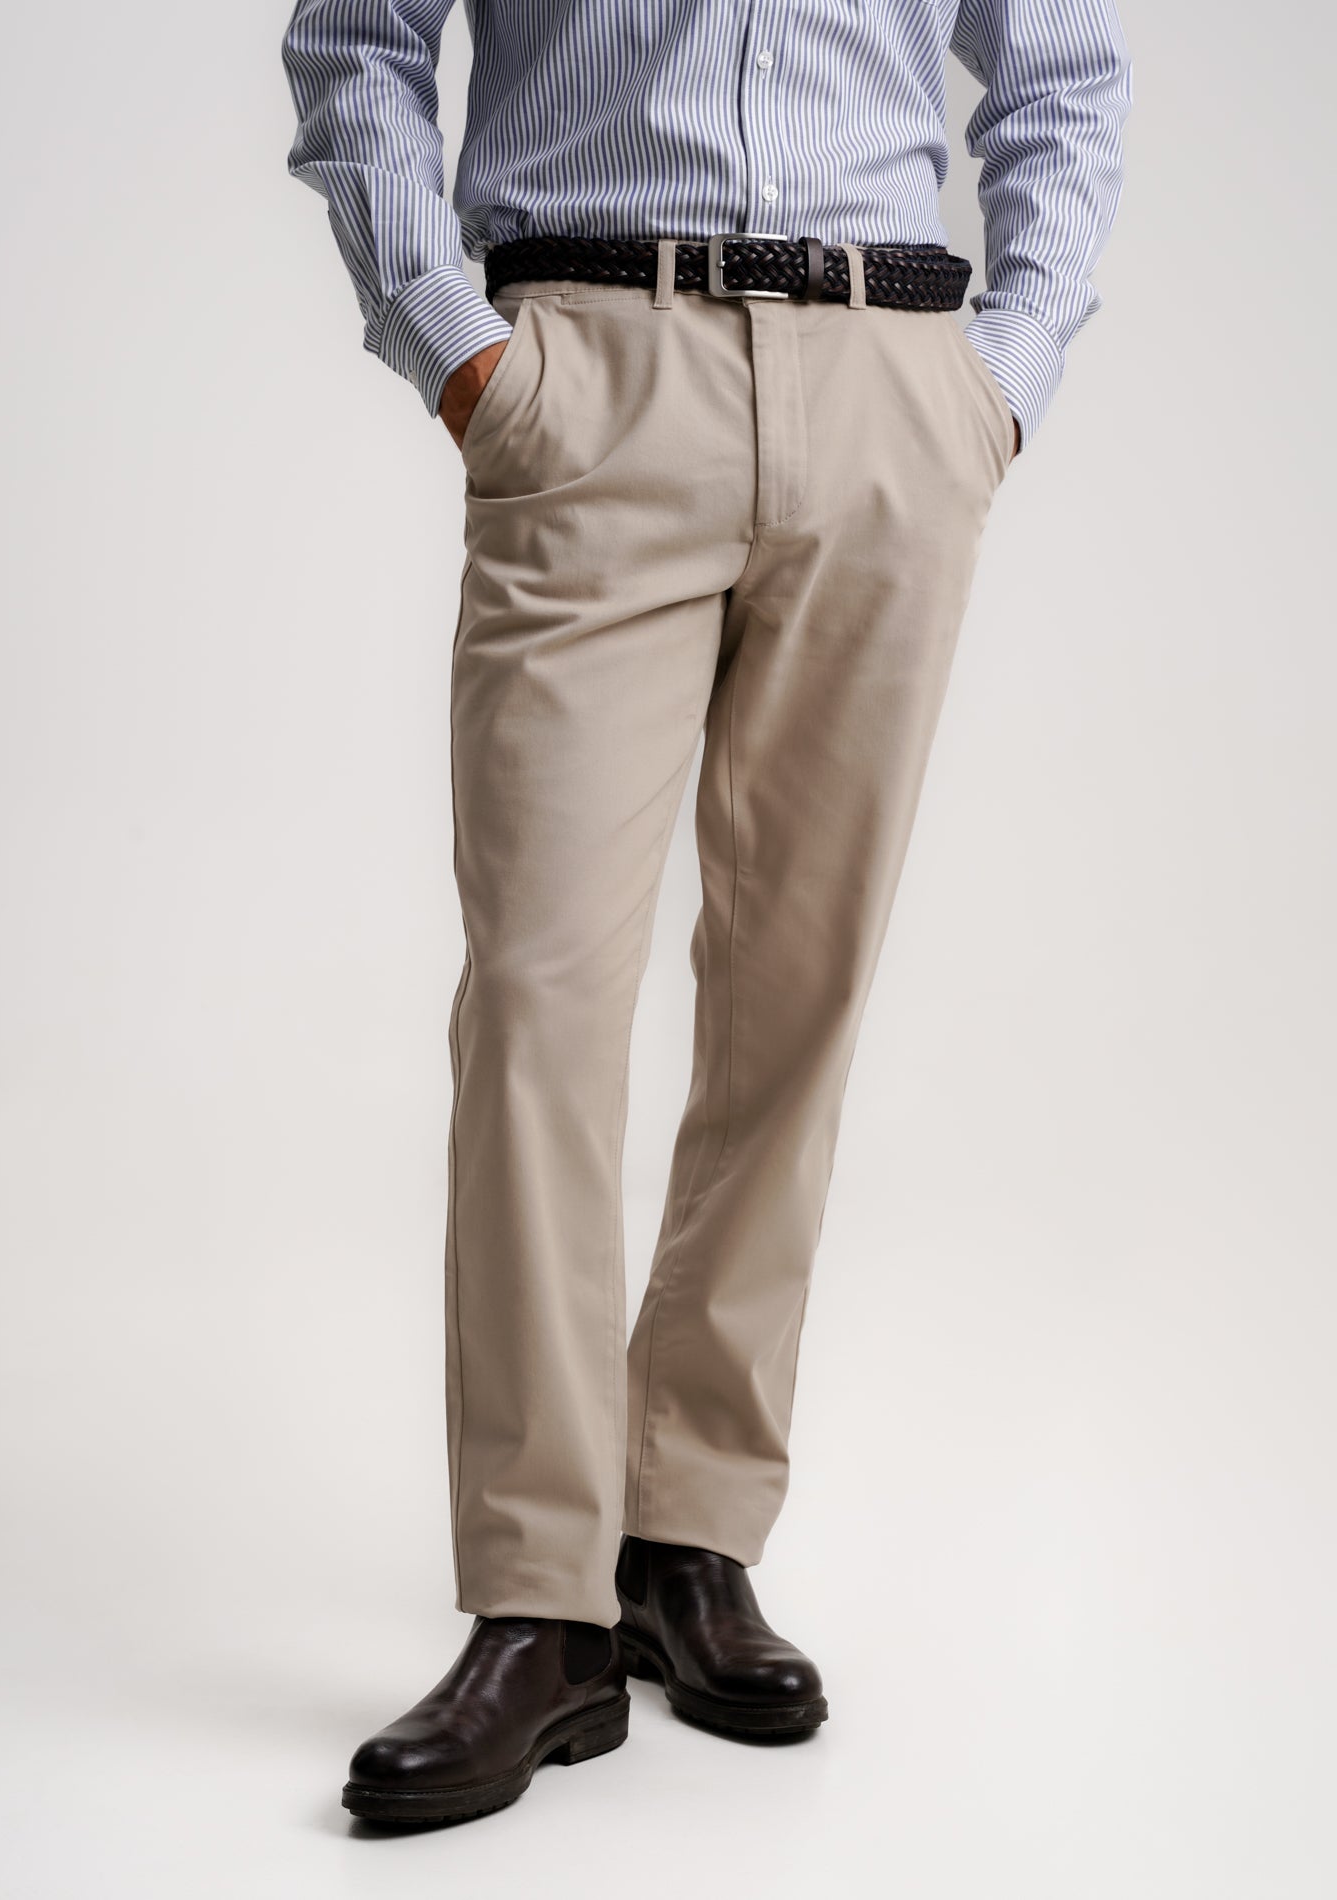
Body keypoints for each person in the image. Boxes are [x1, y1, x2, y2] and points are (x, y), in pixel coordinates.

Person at [281, 0, 1131, 1826]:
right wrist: (454, 343)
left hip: (892, 382)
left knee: (794, 998)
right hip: (593, 369)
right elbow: (355, 37)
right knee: (538, 1000)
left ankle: (687, 1534)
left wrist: (999, 377)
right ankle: (539, 1600)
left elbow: (1060, 70)